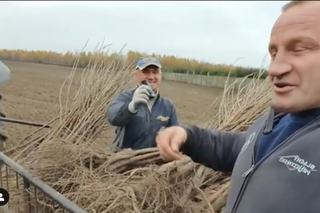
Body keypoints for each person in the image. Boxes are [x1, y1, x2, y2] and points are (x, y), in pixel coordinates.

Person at [156, 1, 320, 213]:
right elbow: (241, 148)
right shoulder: (277, 120)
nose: (274, 68)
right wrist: (189, 135)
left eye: (298, 49)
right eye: (273, 53)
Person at [107, 57, 179, 152]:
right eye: (146, 72)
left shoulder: (168, 106)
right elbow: (112, 117)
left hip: (153, 163)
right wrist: (130, 107)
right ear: (136, 75)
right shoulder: (125, 98)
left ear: (161, 75)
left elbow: (176, 135)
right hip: (123, 160)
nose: (151, 77)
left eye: (155, 72)